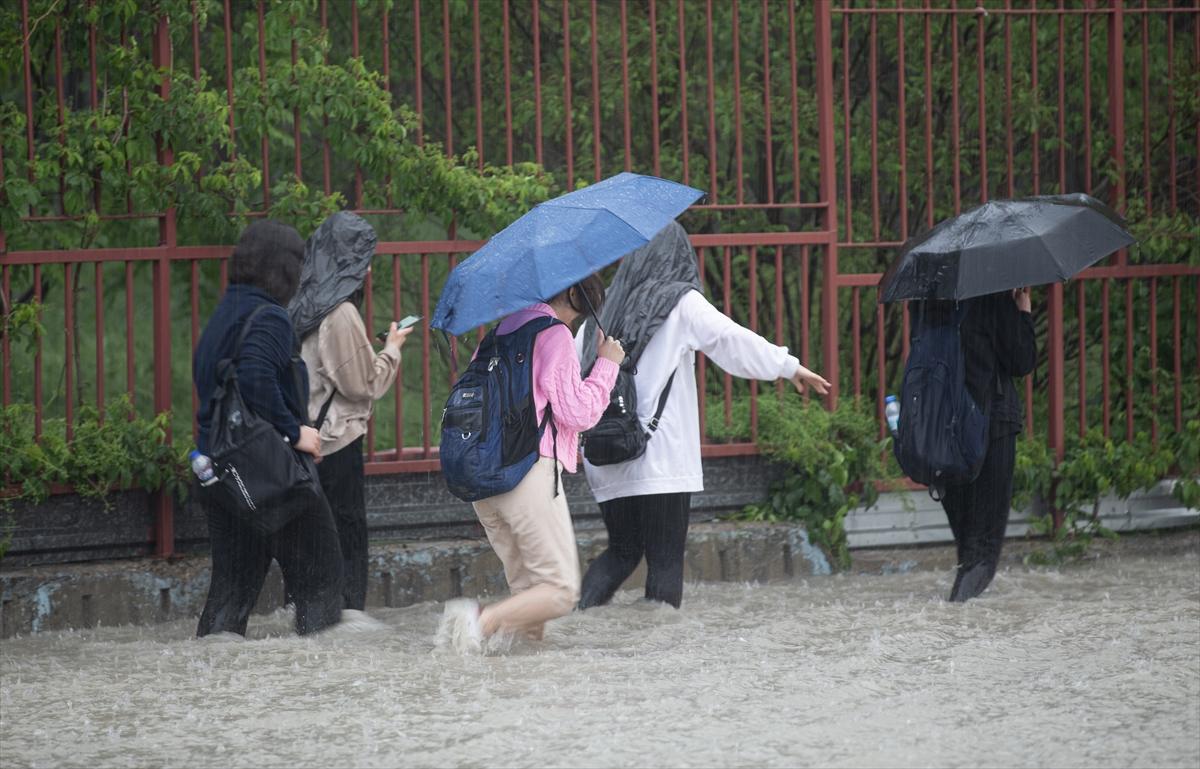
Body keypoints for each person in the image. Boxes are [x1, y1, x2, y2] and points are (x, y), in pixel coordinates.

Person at [576, 222, 831, 610]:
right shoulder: (680, 302)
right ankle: (663, 656)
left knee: (622, 552)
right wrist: (788, 366)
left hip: (606, 452)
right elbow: (729, 339)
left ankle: (575, 622)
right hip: (659, 460)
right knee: (664, 562)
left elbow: (579, 367)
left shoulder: (607, 305)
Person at [437, 275, 624, 652]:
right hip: (527, 474)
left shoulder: (498, 333)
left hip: (486, 481)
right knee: (559, 590)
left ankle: (523, 678)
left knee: (527, 598)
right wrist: (608, 365)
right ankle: (478, 620)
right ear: (574, 292)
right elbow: (577, 413)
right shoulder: (553, 334)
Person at [192, 220, 344, 637]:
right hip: (272, 479)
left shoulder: (224, 315)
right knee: (322, 578)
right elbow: (256, 377)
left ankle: (214, 679)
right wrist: (295, 431)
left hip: (221, 476)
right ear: (284, 269)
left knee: (231, 592)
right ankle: (331, 685)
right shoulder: (271, 318)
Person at [290, 212, 411, 615]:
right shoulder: (340, 312)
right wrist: (392, 348)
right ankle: (345, 614)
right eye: (364, 257)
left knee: (314, 534)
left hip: (305, 437)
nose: (370, 267)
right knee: (347, 531)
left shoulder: (301, 301)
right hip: (336, 439)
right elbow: (362, 384)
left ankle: (312, 612)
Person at [938, 286, 1036, 602]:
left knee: (968, 546)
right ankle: (955, 619)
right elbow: (1022, 360)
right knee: (983, 550)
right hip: (991, 425)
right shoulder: (991, 295)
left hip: (943, 429)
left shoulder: (931, 301)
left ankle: (959, 615)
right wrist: (1022, 310)